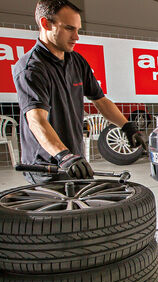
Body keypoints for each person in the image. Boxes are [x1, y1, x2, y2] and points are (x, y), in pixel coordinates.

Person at [12, 0, 146, 184]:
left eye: (78, 29)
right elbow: (36, 120)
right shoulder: (31, 68)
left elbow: (100, 100)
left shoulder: (76, 61)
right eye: (69, 28)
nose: (76, 37)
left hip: (74, 160)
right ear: (45, 23)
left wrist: (127, 126)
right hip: (46, 167)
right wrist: (64, 156)